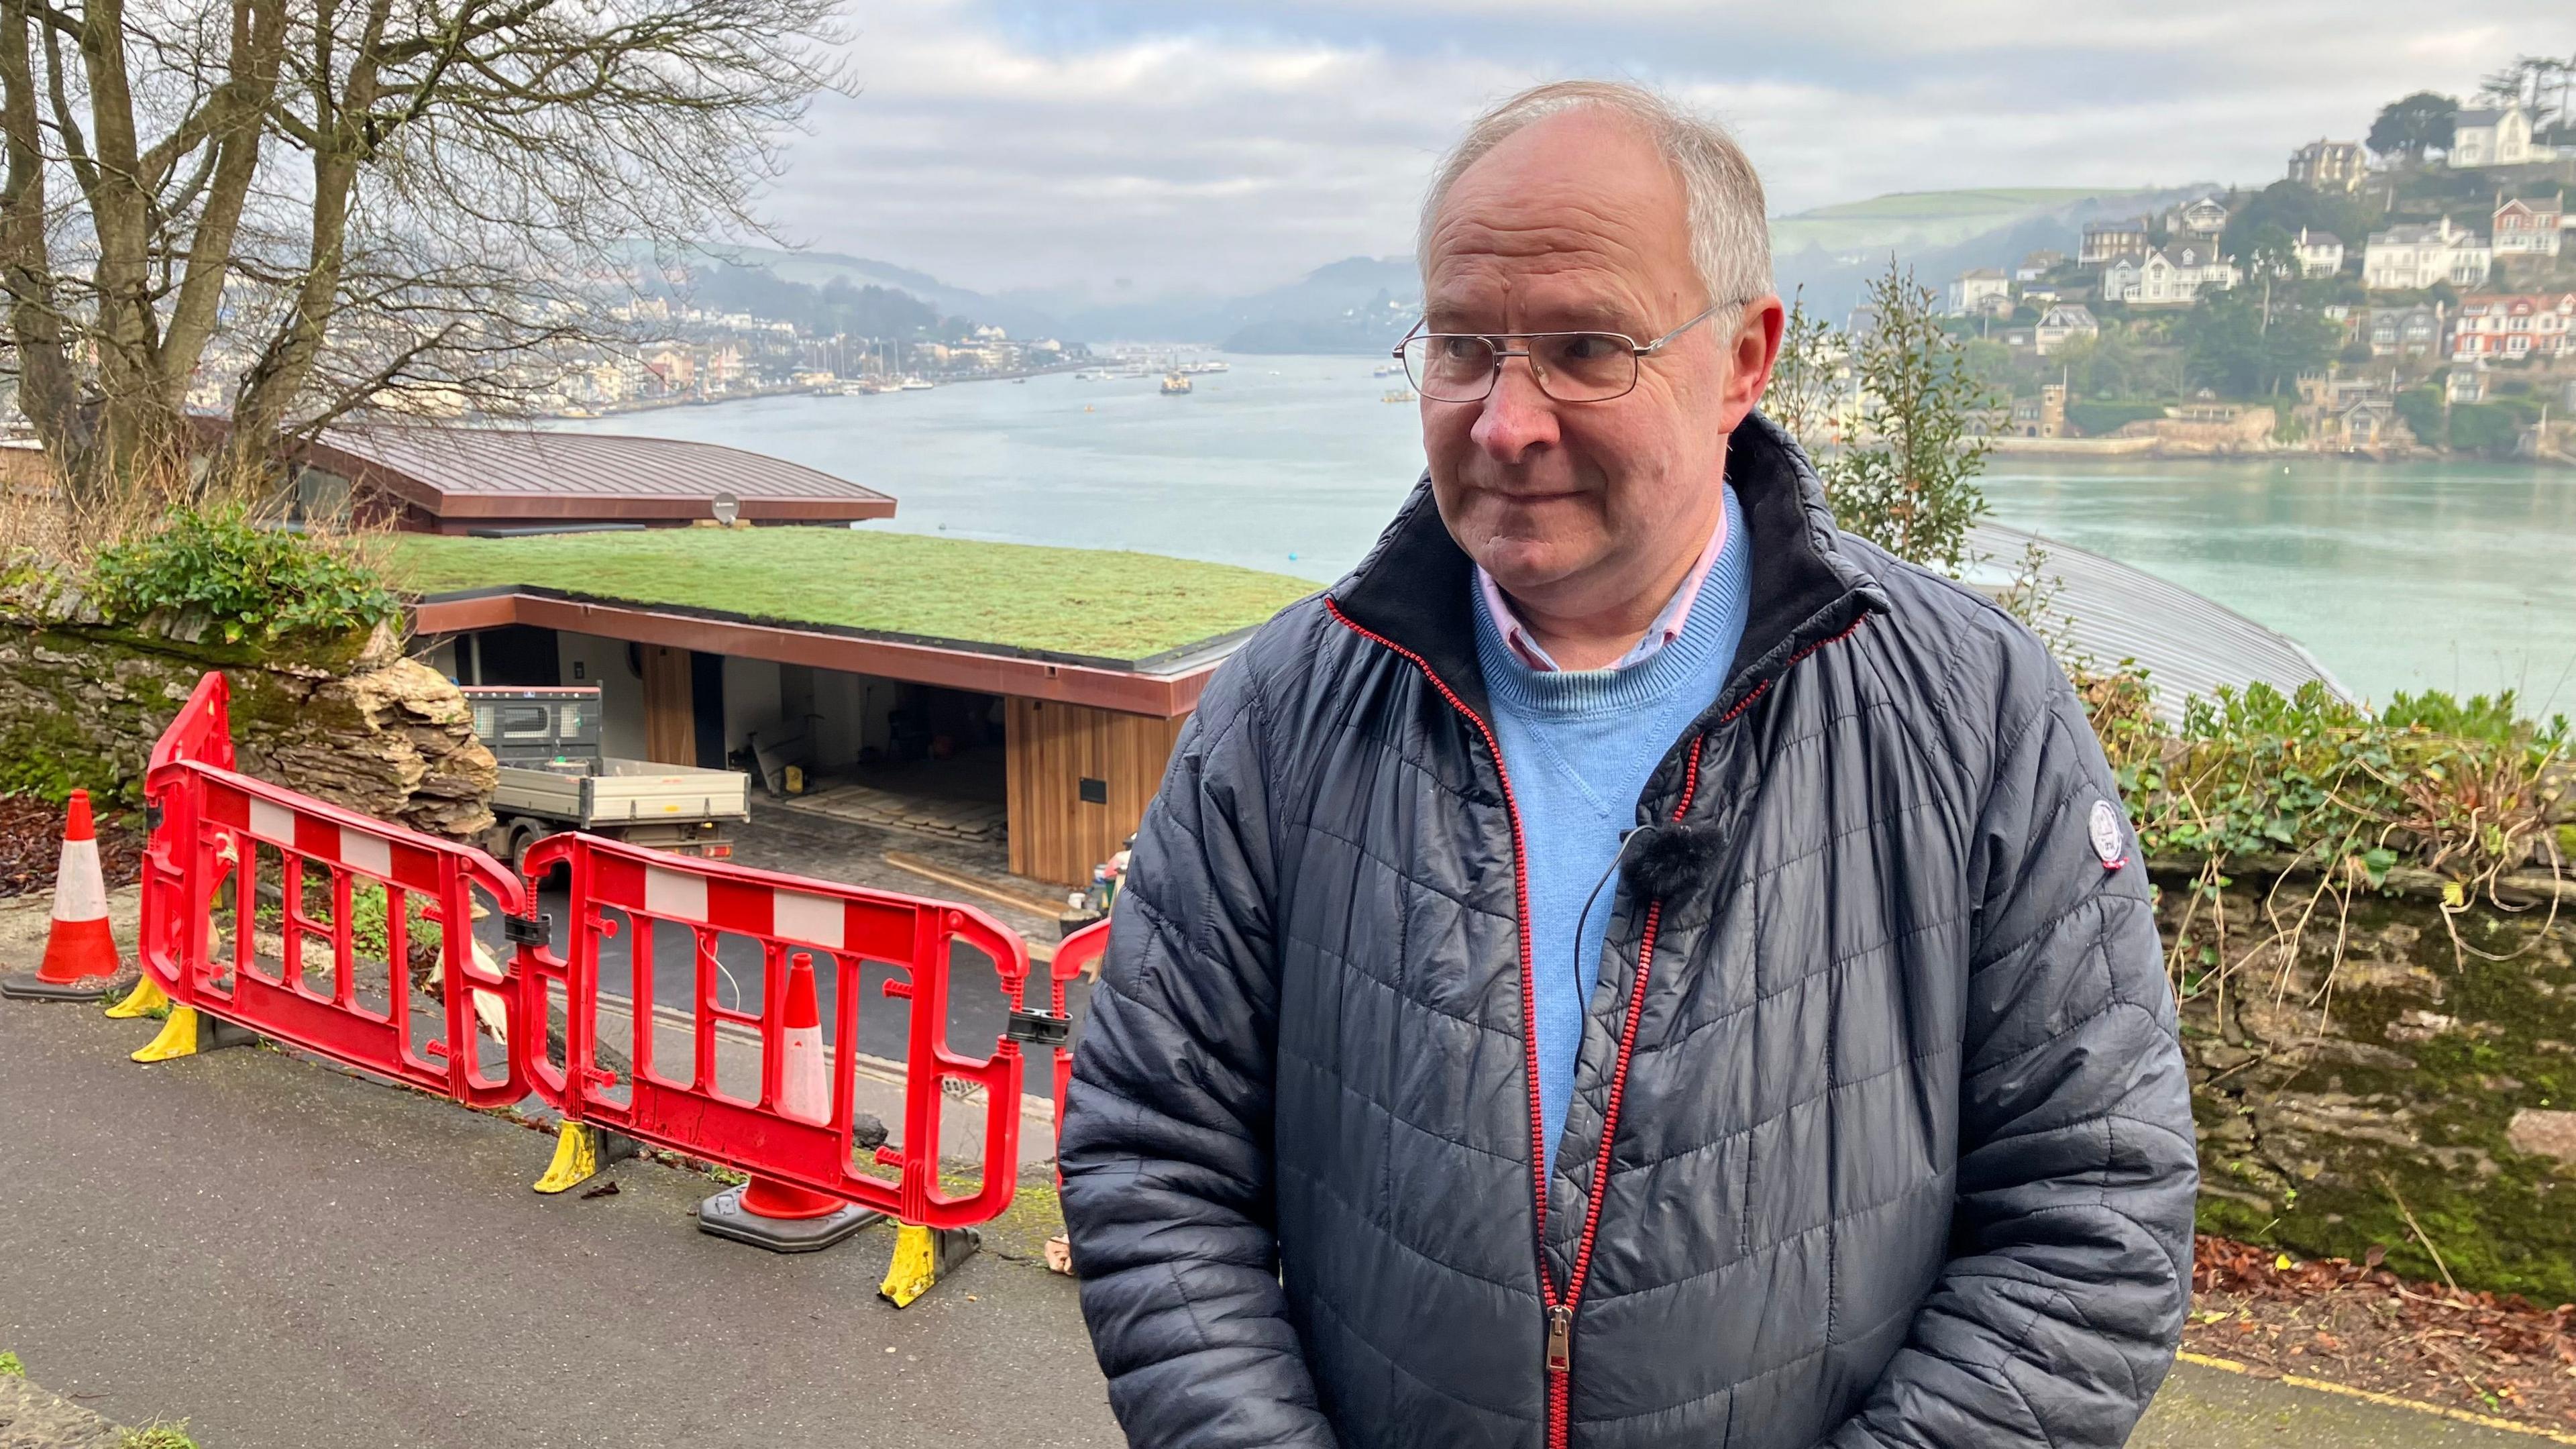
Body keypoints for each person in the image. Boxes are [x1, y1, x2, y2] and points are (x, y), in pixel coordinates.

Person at [1059, 79, 2196, 1449]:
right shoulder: (1281, 710)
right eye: (1464, 346)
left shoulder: (1973, 709)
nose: (1505, 421)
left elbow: (2093, 1220)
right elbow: (1151, 1160)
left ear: (1744, 359)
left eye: (1586, 348)